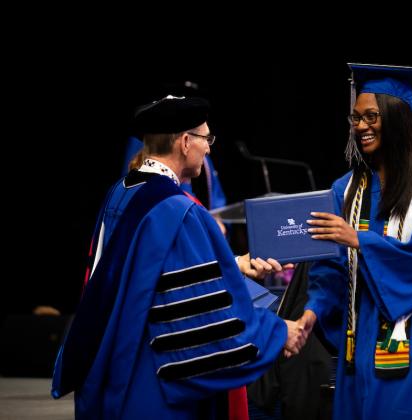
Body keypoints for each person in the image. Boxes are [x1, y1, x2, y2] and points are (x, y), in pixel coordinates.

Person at [51, 95, 305, 419]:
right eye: (206, 138)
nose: (210, 148)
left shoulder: (123, 192)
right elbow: (201, 319)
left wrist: (233, 265)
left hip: (111, 363)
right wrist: (277, 332)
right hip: (151, 381)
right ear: (186, 142)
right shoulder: (177, 211)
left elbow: (152, 277)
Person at [297, 64, 412, 419]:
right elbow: (330, 268)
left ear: (397, 117)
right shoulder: (344, 189)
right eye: (355, 118)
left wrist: (361, 241)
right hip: (360, 335)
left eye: (371, 116)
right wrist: (311, 314)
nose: (361, 126)